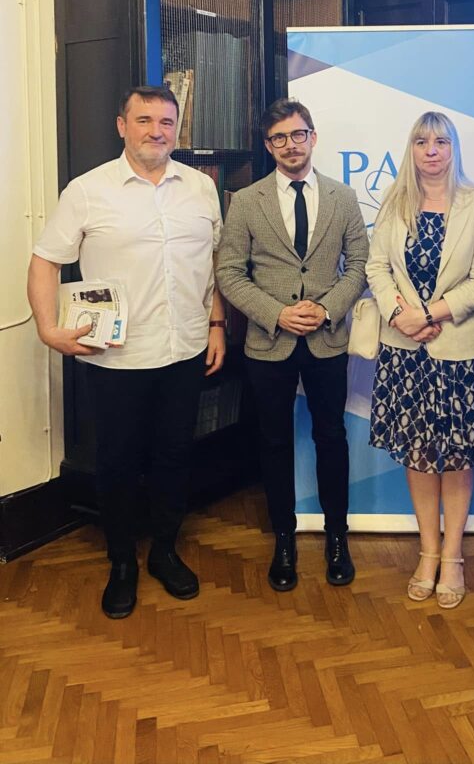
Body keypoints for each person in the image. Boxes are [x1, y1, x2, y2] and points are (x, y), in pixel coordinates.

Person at [27, 86, 226, 620]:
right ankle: (121, 563)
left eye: (166, 122)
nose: (156, 131)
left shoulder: (201, 189)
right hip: (116, 357)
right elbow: (45, 260)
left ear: (177, 129)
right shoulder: (87, 191)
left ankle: (164, 551)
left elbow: (213, 263)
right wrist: (47, 328)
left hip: (185, 349)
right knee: (117, 462)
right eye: (144, 120)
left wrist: (217, 323)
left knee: (174, 455)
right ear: (122, 126)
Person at [216, 97, 367, 592]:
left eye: (298, 135)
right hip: (269, 342)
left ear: (312, 137)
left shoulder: (343, 198)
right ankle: (283, 539)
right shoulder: (246, 201)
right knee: (274, 441)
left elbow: (359, 266)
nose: (290, 145)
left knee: (332, 438)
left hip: (327, 339)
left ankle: (337, 538)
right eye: (278, 138)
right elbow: (229, 272)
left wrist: (327, 309)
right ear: (268, 146)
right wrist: (276, 314)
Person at [366, 111, 474, 609]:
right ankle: (428, 553)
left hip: (458, 350)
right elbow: (377, 268)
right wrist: (401, 315)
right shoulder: (394, 201)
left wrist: (430, 313)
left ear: (453, 148)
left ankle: (454, 556)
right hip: (404, 351)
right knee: (418, 453)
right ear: (412, 149)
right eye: (421, 141)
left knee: (457, 456)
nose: (431, 150)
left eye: (441, 141)